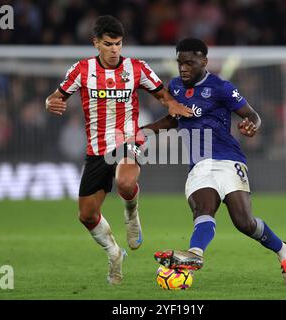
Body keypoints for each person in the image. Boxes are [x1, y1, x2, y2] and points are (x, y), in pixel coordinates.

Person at [45, 15, 193, 285]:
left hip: (128, 140)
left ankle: (131, 213)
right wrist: (49, 102)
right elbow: (57, 97)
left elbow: (162, 94)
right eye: (109, 44)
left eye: (119, 44)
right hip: (97, 149)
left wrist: (171, 104)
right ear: (96, 43)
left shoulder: (137, 68)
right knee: (87, 215)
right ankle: (114, 253)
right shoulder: (81, 70)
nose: (115, 50)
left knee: (125, 182)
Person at [141, 38, 286, 286]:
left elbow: (252, 115)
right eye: (180, 63)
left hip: (228, 158)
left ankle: (284, 250)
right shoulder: (175, 87)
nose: (183, 68)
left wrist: (251, 126)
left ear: (204, 61)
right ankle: (195, 254)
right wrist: (145, 132)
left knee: (244, 222)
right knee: (204, 207)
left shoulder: (221, 87)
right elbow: (174, 119)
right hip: (199, 164)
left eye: (189, 63)